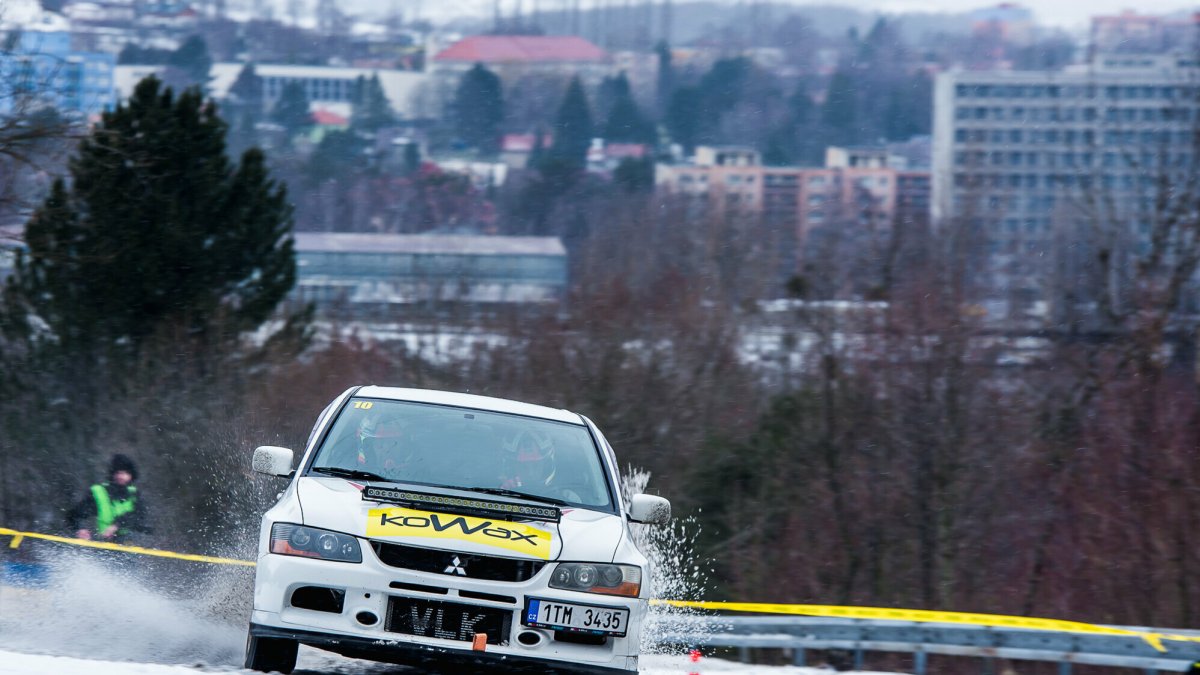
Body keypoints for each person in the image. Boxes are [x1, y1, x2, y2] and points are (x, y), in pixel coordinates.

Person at [68, 454, 150, 542]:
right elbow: (74, 515)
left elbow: (140, 517)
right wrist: (80, 529)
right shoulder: (98, 492)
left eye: (126, 473)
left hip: (132, 548)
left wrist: (116, 525)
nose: (121, 477)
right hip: (104, 545)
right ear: (113, 474)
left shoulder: (135, 494)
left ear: (131, 476)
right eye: (118, 473)